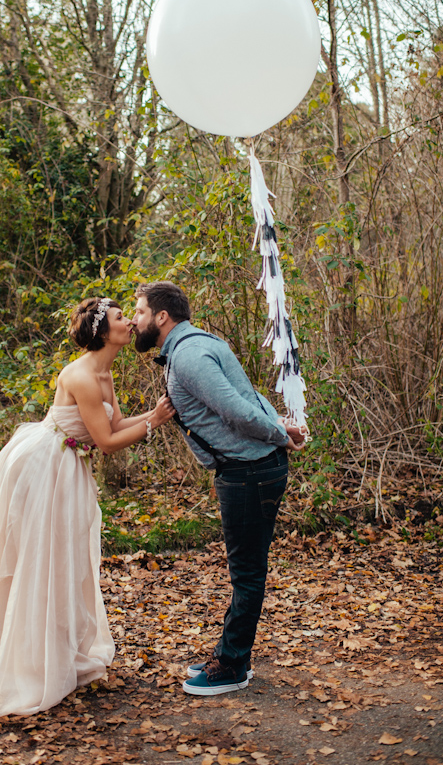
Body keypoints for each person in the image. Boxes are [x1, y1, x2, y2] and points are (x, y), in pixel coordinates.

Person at [0, 297, 175, 719]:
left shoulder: (105, 372)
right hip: (43, 467)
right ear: (104, 332)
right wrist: (153, 423)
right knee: (41, 560)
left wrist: (152, 414)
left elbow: (116, 425)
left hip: (69, 466)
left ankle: (58, 651)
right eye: (123, 318)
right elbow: (105, 443)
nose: (131, 323)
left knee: (64, 561)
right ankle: (29, 663)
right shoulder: (81, 374)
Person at [131, 281, 306, 697]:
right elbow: (247, 396)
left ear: (161, 317)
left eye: (139, 312)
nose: (135, 319)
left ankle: (231, 666)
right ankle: (231, 655)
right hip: (248, 469)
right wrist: (278, 425)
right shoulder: (196, 344)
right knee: (246, 571)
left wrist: (280, 436)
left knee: (247, 574)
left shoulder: (189, 356)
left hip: (249, 472)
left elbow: (237, 410)